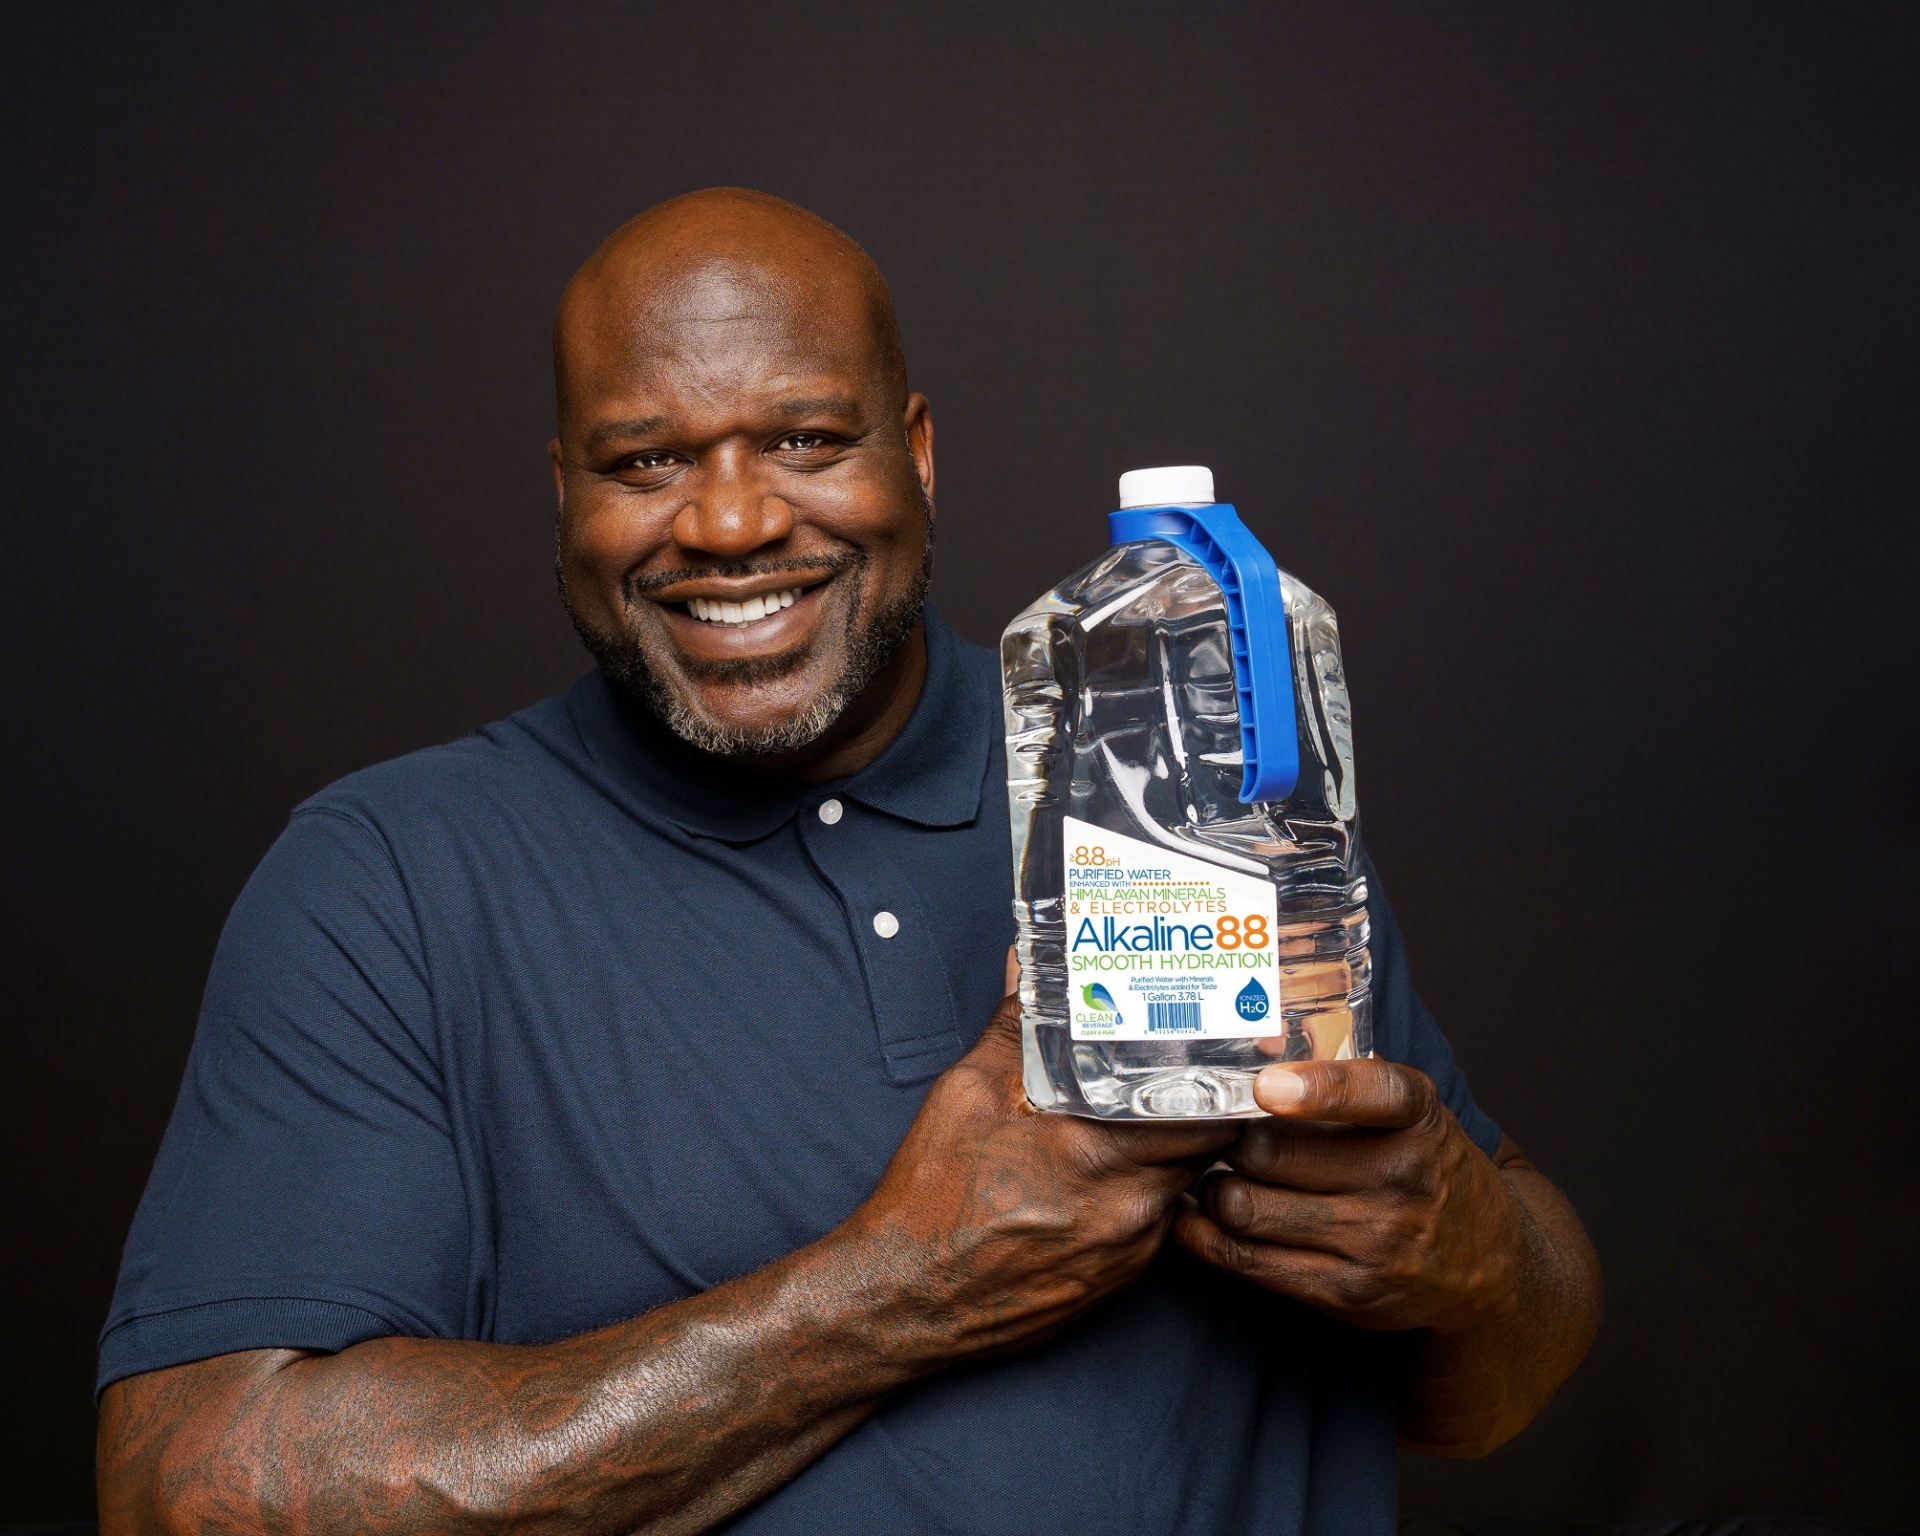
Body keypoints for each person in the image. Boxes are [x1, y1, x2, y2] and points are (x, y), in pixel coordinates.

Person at [94, 188, 1601, 1536]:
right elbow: (187, 1492)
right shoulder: (389, 881)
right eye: (646, 460)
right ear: (564, 492)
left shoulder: (1169, 771)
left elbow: (1495, 1383)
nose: (732, 521)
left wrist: (1468, 1255)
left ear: (917, 453)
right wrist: (897, 1287)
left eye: (806, 440)